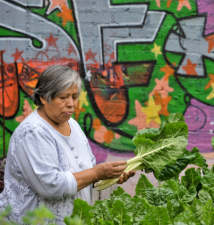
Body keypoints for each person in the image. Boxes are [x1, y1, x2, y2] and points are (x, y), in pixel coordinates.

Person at [0, 65, 135, 224]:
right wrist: (97, 173)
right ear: (44, 97)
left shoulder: (73, 125)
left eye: (74, 96)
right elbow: (52, 186)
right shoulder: (33, 132)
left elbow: (85, 173)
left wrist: (110, 176)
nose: (71, 104)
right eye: (63, 98)